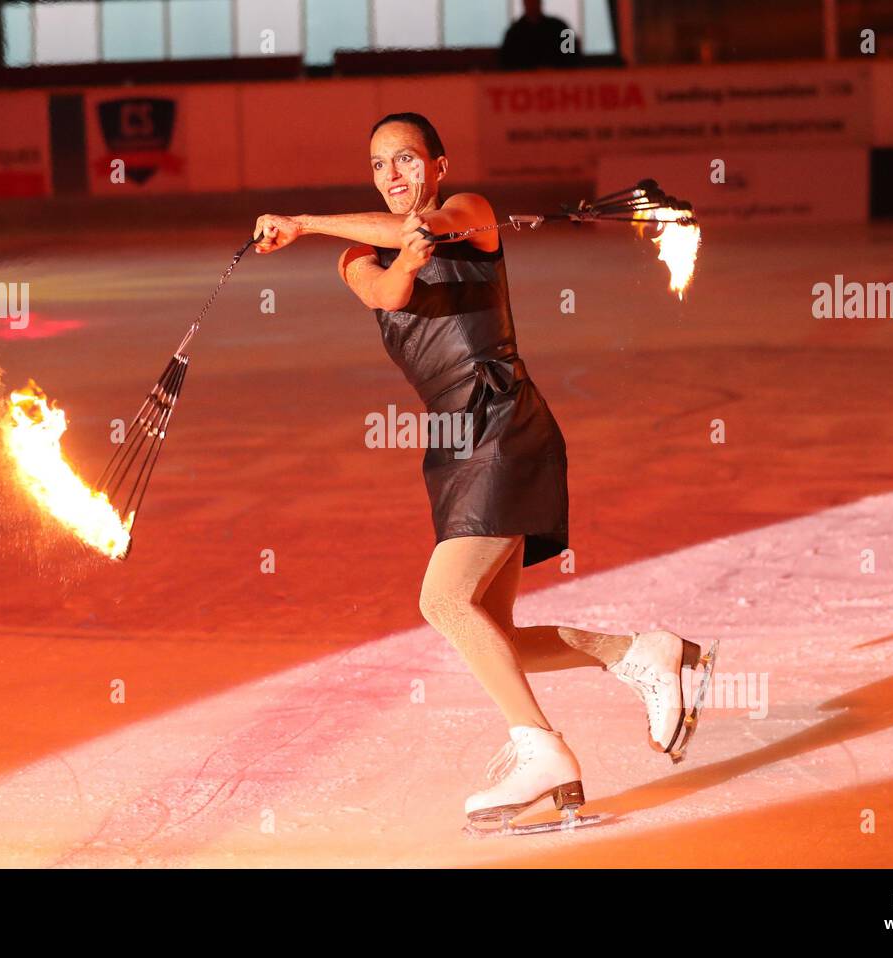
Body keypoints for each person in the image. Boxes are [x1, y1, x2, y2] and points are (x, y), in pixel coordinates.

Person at [250, 112, 707, 829]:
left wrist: (310, 220)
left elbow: (440, 227)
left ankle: (541, 748)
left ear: (439, 165)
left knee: (443, 601)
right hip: (453, 445)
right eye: (379, 166)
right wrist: (398, 252)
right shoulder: (357, 260)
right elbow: (389, 293)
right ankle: (644, 654)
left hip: (504, 422)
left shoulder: (473, 215)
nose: (394, 175)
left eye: (406, 160)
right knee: (494, 631)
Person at [500, 0, 581, 70]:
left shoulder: (560, 27)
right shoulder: (513, 32)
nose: (532, 4)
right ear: (524, 3)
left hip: (558, 78)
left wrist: (554, 68)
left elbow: (573, 55)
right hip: (523, 80)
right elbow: (506, 61)